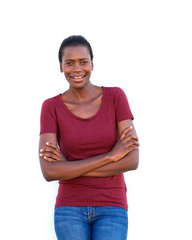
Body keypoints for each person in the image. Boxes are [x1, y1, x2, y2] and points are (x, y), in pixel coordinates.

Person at [38, 35, 139, 240]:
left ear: (92, 64)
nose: (77, 69)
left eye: (83, 62)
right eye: (69, 63)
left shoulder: (116, 97)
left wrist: (69, 168)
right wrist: (110, 157)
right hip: (69, 208)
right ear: (61, 67)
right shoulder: (51, 107)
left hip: (112, 206)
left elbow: (131, 160)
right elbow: (49, 171)